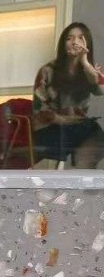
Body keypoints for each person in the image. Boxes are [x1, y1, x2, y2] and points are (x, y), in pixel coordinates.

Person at [32, 22, 104, 168]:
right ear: (63, 44)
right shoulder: (47, 70)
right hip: (50, 129)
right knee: (90, 129)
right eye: (69, 38)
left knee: (93, 132)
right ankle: (83, 174)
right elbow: (39, 109)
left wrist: (85, 62)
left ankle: (84, 173)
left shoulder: (88, 71)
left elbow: (100, 90)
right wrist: (64, 120)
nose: (75, 42)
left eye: (80, 38)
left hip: (77, 129)